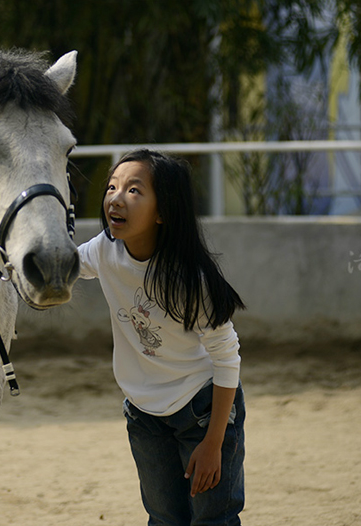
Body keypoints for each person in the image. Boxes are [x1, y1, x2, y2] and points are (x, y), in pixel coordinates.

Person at [77, 149, 247, 525]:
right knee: (164, 518)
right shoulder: (105, 251)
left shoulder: (190, 280)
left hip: (201, 409)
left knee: (213, 519)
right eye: (112, 187)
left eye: (134, 190)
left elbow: (227, 359)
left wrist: (215, 443)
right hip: (143, 414)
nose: (116, 198)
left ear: (162, 211)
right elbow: (61, 267)